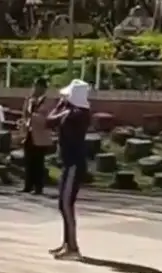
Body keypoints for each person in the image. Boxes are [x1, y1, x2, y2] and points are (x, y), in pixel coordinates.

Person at [47, 79, 92, 260]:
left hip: (74, 163)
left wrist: (59, 106)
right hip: (68, 163)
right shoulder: (73, 111)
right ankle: (67, 243)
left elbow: (49, 121)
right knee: (62, 204)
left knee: (66, 204)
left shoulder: (77, 114)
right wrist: (61, 105)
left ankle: (73, 248)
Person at [21, 77, 54, 195]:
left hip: (41, 135)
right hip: (29, 132)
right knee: (28, 160)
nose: (35, 89)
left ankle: (38, 187)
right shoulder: (29, 99)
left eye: (38, 86)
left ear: (43, 88)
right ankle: (27, 185)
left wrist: (32, 115)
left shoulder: (47, 102)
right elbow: (25, 114)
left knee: (38, 162)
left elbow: (46, 119)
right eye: (34, 86)